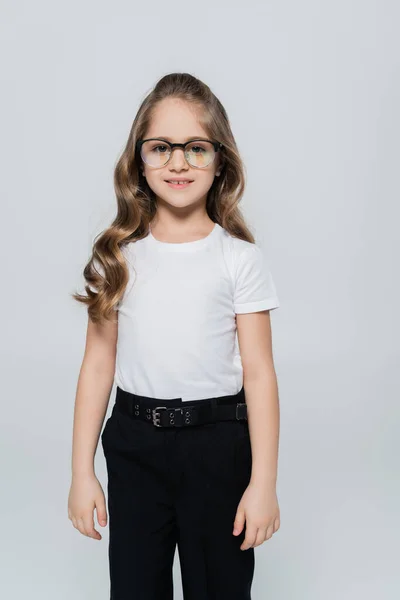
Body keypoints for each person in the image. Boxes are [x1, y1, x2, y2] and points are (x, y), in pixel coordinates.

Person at [68, 71, 281, 600]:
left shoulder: (239, 259)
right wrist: (81, 470)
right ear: (139, 159)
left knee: (220, 589)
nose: (178, 163)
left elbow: (259, 373)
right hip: (135, 446)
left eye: (196, 148)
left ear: (220, 160)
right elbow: (98, 366)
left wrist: (263, 483)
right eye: (161, 148)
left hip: (219, 449)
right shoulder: (117, 258)